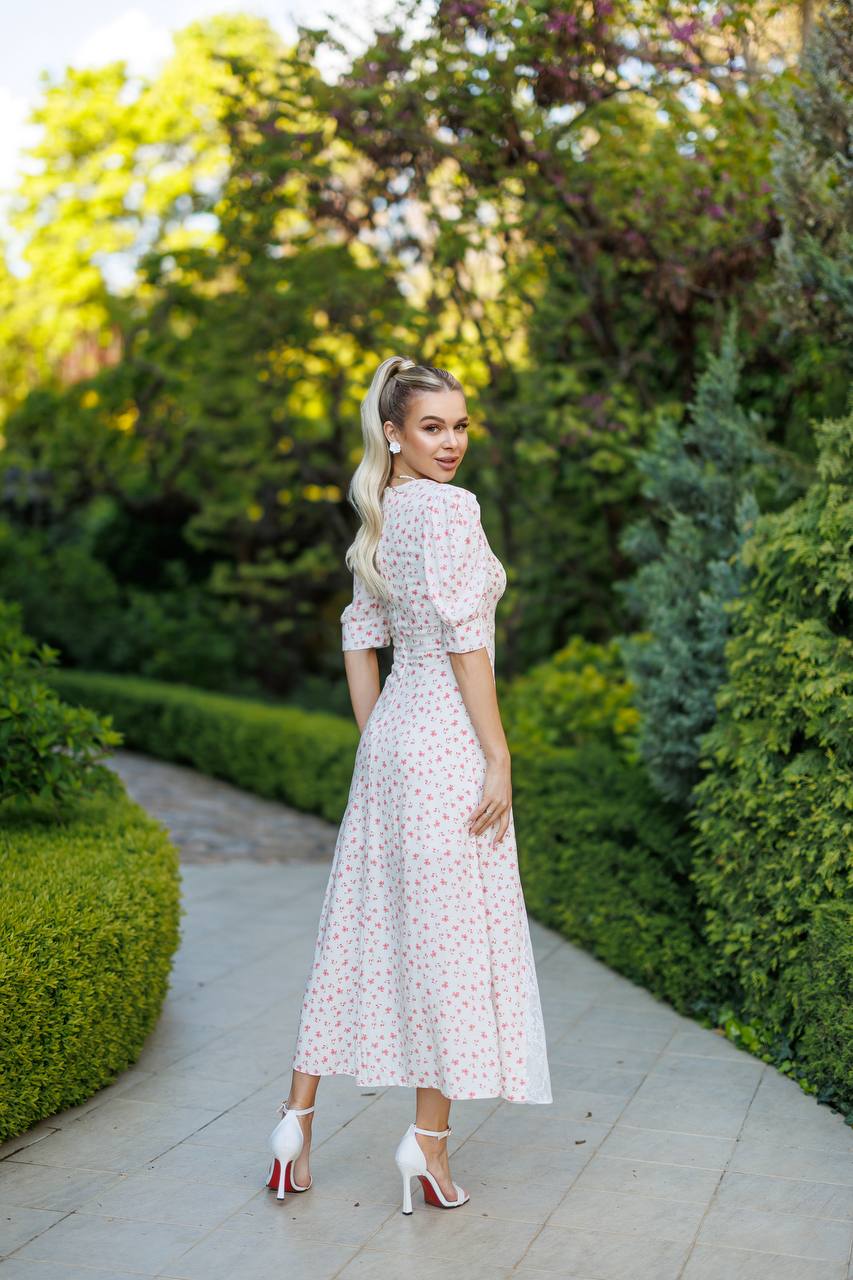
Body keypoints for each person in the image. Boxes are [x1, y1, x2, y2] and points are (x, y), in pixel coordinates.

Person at [265, 356, 552, 1214]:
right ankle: (426, 1148)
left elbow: (362, 637)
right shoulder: (452, 510)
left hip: (390, 742)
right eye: (433, 427)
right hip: (447, 743)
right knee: (452, 950)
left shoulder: (380, 515)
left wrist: (376, 742)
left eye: (460, 426)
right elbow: (467, 645)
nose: (452, 442)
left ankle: (293, 1129)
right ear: (393, 431)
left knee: (353, 931)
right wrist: (497, 756)